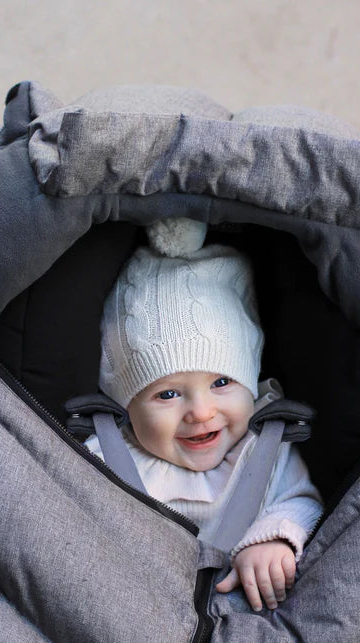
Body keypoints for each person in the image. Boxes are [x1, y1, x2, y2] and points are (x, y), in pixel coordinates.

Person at [86, 218, 323, 613]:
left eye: (222, 383)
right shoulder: (105, 458)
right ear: (125, 404)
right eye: (167, 394)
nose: (200, 411)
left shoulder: (265, 447)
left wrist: (272, 539)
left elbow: (300, 501)